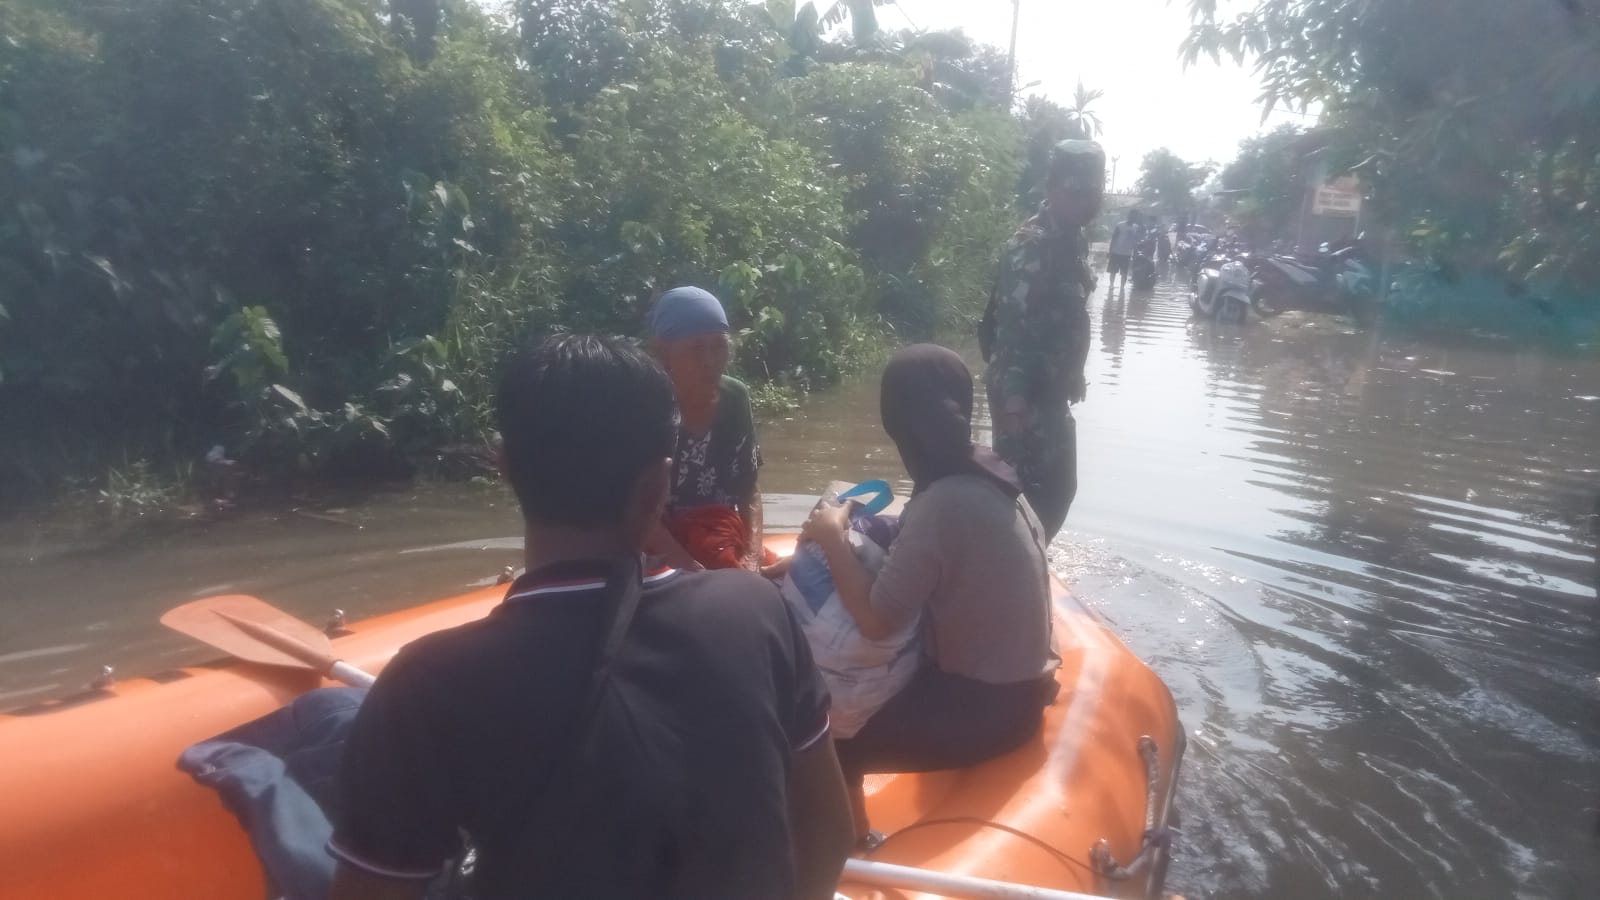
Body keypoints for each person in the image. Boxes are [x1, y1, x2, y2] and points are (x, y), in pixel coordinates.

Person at [328, 334, 853, 900]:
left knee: (322, 751)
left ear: (504, 465)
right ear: (659, 483)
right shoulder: (756, 611)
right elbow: (828, 833)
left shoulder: (425, 685)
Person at [800, 344, 1056, 839]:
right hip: (1021, 689)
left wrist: (832, 537)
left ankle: (851, 849)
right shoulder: (993, 477)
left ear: (895, 424)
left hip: (992, 709)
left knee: (831, 735)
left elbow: (877, 623)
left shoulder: (940, 503)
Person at [982, 139, 1106, 540]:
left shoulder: (1072, 241)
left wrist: (1073, 374)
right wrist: (1014, 406)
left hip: (1051, 393)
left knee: (1058, 491)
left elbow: (1065, 318)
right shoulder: (1031, 245)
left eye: (1092, 193)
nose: (1085, 201)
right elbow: (1012, 331)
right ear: (1052, 189)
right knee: (1022, 495)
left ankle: (1026, 564)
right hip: (1024, 397)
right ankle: (1006, 571)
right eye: (1076, 192)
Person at [646, 286, 768, 571]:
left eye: (719, 346)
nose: (709, 361)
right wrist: (691, 569)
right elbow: (632, 510)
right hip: (658, 547)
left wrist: (752, 558)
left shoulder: (735, 398)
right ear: (663, 351)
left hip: (718, 537)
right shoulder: (646, 406)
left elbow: (748, 488)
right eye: (696, 348)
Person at [1107, 208, 1143, 294]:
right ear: (1129, 215)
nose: (1134, 217)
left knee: (1124, 273)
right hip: (1116, 252)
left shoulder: (1136, 227)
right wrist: (1110, 251)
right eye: (1133, 215)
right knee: (1113, 271)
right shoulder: (1120, 225)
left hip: (1127, 254)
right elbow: (1113, 239)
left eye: (1136, 216)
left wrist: (1135, 253)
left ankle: (1122, 288)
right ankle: (1111, 285)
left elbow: (1135, 241)